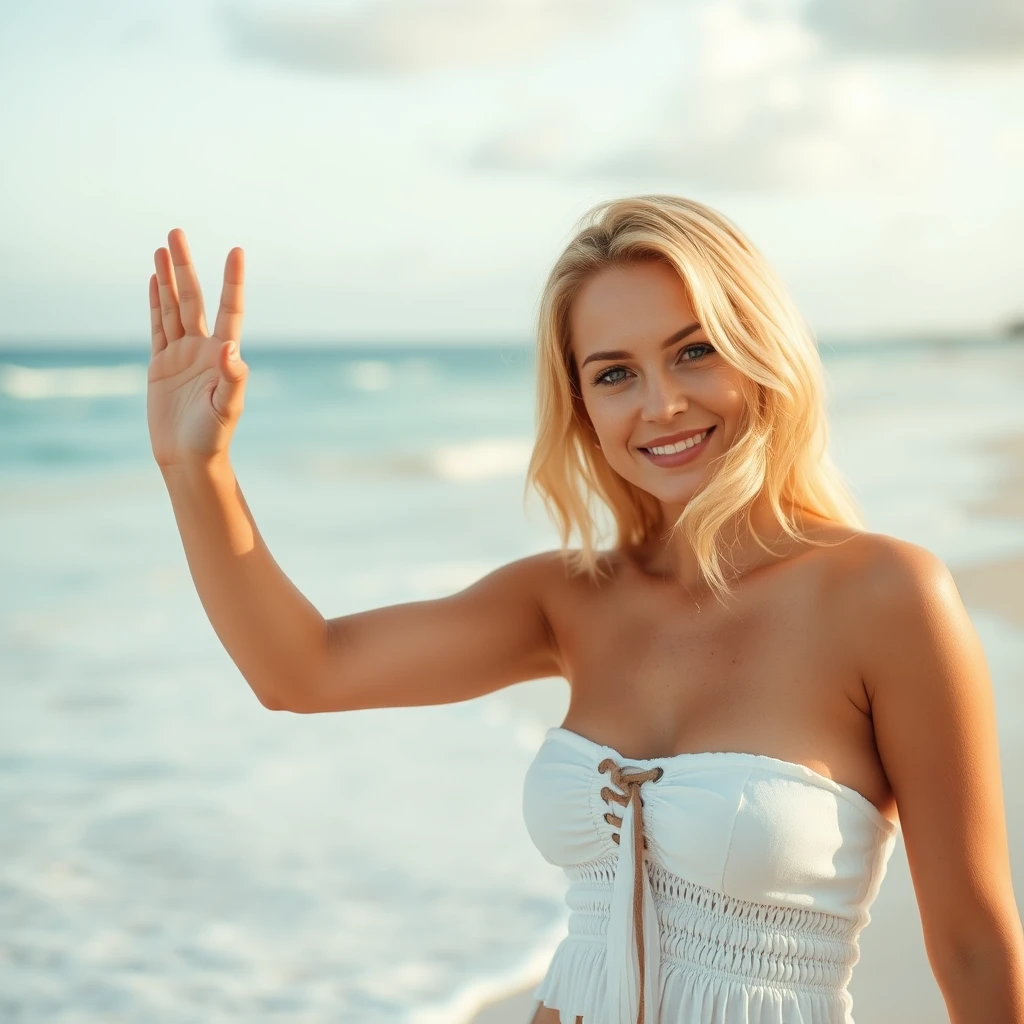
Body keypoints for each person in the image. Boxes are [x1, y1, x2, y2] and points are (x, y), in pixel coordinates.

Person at [146, 195, 1024, 1024]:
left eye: (694, 350)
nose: (660, 404)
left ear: (762, 351)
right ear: (584, 408)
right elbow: (302, 670)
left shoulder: (884, 595)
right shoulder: (567, 599)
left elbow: (975, 949)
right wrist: (198, 471)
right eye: (614, 374)